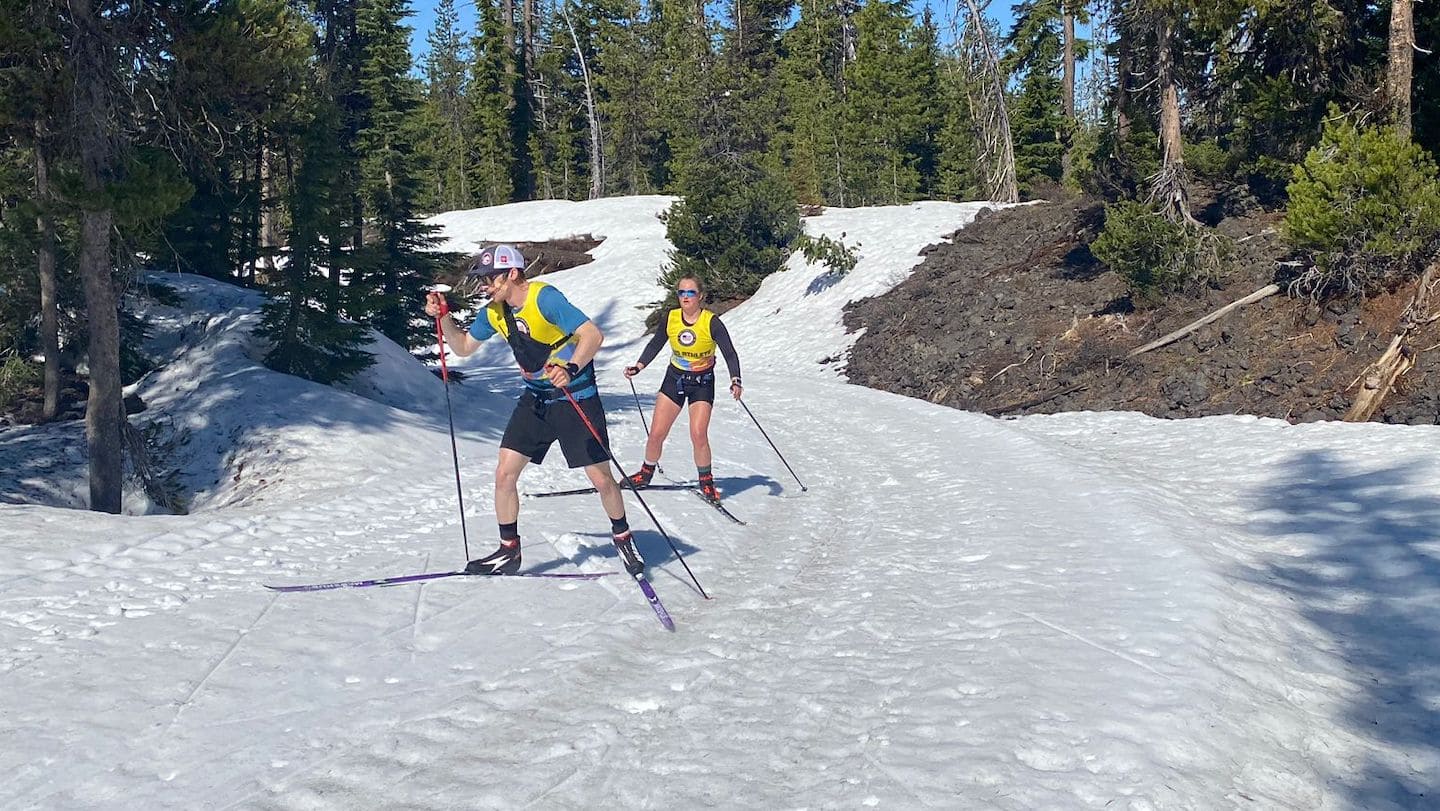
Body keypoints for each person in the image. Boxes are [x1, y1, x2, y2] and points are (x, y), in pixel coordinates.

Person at [424, 244, 644, 577]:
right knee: (504, 473)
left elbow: (592, 336)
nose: (484, 286)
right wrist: (445, 320)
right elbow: (464, 348)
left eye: (489, 279)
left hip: (576, 398)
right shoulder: (494, 312)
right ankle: (508, 551)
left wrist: (570, 368)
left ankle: (623, 537)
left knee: (601, 479)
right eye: (481, 280)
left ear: (512, 274)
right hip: (536, 399)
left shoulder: (545, 299)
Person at [623, 275, 742, 502]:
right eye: (681, 293)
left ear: (701, 296)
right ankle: (645, 474)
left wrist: (736, 379)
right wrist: (639, 366)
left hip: (702, 383)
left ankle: (706, 482)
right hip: (674, 379)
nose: (685, 297)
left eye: (690, 293)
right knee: (657, 433)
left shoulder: (711, 322)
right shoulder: (671, 318)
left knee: (698, 434)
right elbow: (656, 343)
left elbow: (729, 353)